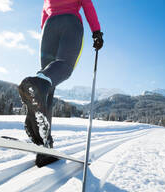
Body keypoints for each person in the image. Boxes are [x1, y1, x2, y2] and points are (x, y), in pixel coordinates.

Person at [18, 0, 104, 168]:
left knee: (46, 83)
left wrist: (47, 31)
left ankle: (45, 144)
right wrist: (97, 31)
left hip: (49, 27)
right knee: (63, 66)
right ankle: (44, 140)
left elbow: (44, 15)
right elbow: (87, 4)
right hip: (70, 22)